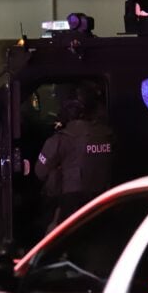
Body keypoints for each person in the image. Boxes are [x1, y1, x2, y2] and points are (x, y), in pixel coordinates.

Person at [34, 82, 114, 232]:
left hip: (71, 207)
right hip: (105, 201)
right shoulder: (108, 134)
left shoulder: (61, 139)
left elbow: (40, 171)